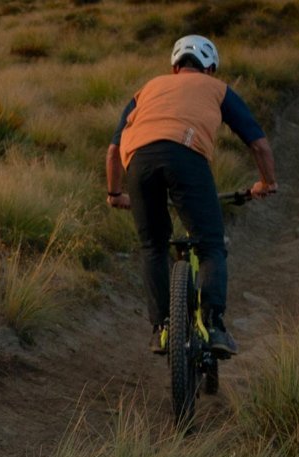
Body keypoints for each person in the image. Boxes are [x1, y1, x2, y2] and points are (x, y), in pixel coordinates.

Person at [104, 35, 278, 357]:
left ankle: (161, 330)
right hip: (185, 157)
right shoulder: (217, 88)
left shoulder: (147, 89)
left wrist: (115, 193)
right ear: (210, 68)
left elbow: (114, 150)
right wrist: (266, 183)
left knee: (153, 246)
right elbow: (259, 144)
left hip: (138, 163)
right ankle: (212, 327)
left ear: (174, 67)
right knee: (209, 243)